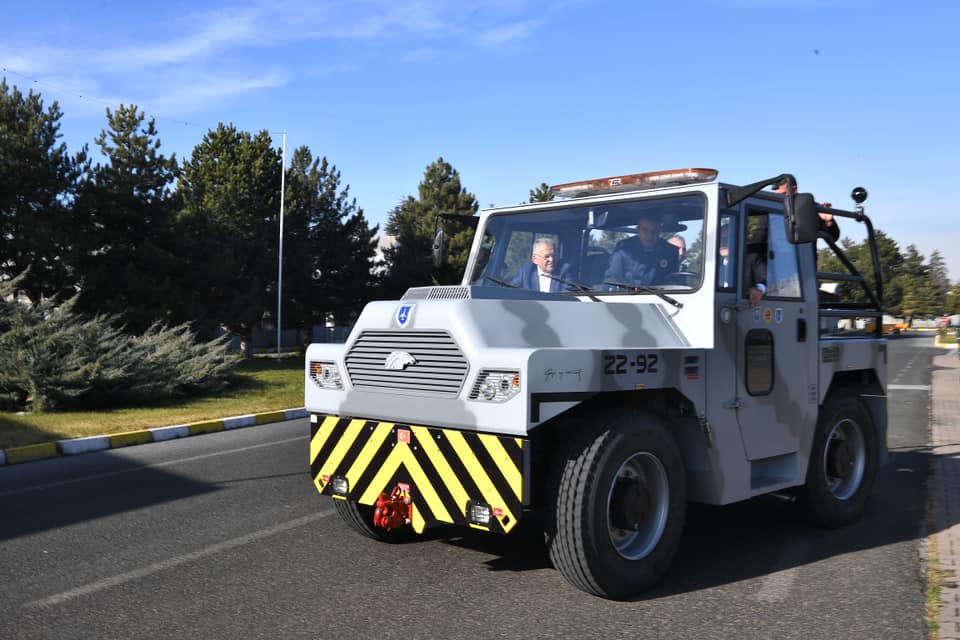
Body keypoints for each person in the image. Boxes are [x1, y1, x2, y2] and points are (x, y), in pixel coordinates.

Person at [603, 211, 679, 288]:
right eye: (645, 230)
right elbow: (612, 280)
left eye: (654, 231)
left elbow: (675, 284)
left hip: (661, 298)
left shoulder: (670, 252)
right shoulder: (623, 249)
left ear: (659, 231)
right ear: (638, 230)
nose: (650, 235)